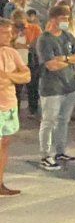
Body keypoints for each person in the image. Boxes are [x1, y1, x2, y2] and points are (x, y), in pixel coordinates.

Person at [36, 6, 75, 171]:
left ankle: (60, 151)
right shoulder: (44, 39)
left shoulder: (68, 36)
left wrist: (65, 58)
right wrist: (69, 61)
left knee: (63, 120)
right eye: (63, 18)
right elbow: (51, 65)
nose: (66, 21)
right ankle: (45, 155)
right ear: (53, 19)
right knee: (48, 121)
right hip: (51, 88)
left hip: (69, 86)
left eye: (67, 18)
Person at [0, 17, 31, 196]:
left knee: (5, 143)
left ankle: (0, 182)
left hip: (9, 105)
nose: (9, 35)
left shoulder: (11, 52)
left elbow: (26, 75)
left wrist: (9, 77)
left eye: (10, 32)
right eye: (5, 32)